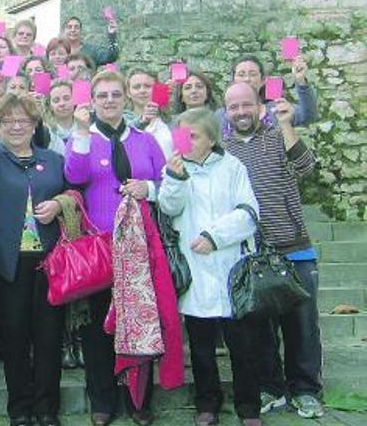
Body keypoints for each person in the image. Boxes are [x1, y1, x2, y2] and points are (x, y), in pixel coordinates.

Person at [64, 71, 175, 426]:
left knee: (139, 323)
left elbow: (168, 184)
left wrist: (150, 189)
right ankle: (102, 398)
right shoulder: (83, 137)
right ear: (92, 101)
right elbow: (75, 176)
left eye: (115, 94)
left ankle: (138, 399)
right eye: (102, 96)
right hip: (98, 245)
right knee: (98, 327)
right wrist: (81, 132)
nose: (109, 101)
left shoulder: (145, 140)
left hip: (140, 248)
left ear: (126, 98)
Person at [221, 82, 324, 419]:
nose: (240, 112)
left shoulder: (278, 134)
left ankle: (306, 390)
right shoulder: (224, 149)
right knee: (261, 330)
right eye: (233, 107)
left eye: (245, 105)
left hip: (294, 248)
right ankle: (272, 388)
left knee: (302, 327)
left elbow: (308, 168)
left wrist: (286, 123)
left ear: (258, 106)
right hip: (253, 254)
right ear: (226, 111)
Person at [158, 107, 262, 426]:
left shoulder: (232, 167)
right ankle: (207, 404)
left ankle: (248, 408)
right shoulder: (174, 169)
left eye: (194, 136)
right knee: (201, 349)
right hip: (195, 273)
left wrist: (214, 236)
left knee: (242, 347)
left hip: (231, 270)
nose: (187, 142)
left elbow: (249, 212)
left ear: (211, 138)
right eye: (182, 136)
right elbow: (168, 206)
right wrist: (175, 178)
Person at [0, 91, 69, 426]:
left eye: (23, 120)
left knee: (48, 337)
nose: (16, 126)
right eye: (8, 121)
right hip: (8, 263)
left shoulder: (53, 159)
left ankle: (46, 408)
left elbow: (73, 192)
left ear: (34, 124)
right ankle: (20, 409)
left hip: (49, 263)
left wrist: (58, 204)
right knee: (14, 338)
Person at [218, 55, 318, 136]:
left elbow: (309, 116)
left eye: (253, 74)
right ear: (233, 80)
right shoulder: (220, 116)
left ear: (262, 81)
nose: (247, 79)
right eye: (241, 74)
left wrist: (301, 80)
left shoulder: (276, 109)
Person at [124, 69, 173, 157]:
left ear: (157, 89)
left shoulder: (174, 121)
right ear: (128, 93)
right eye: (136, 87)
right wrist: (143, 121)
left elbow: (185, 153)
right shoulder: (122, 121)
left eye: (147, 86)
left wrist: (176, 95)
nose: (142, 91)